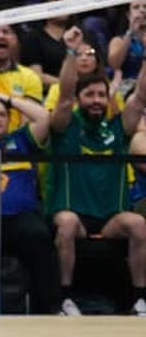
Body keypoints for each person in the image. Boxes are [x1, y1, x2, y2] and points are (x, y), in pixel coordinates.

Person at [45, 26, 146, 316]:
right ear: (80, 99)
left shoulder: (118, 128)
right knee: (66, 223)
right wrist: (70, 52)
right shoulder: (67, 126)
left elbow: (140, 96)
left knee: (138, 223)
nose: (97, 100)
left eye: (102, 95)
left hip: (110, 218)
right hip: (75, 216)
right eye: (89, 95)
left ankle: (140, 299)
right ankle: (65, 299)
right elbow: (64, 96)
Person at [0, 94, 60, 314]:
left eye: (2, 114)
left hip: (19, 217)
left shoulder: (22, 140)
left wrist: (8, 99)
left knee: (39, 234)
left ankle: (48, 310)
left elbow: (44, 117)